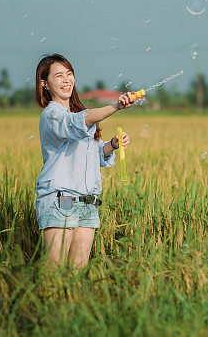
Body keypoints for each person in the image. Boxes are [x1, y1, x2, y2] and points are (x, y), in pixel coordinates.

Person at [34, 53, 136, 268]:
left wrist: (112, 145)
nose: (66, 80)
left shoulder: (78, 115)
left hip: (87, 203)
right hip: (61, 201)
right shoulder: (53, 115)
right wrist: (115, 106)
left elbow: (93, 156)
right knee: (54, 271)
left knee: (77, 273)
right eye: (59, 76)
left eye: (69, 74)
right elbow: (76, 123)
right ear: (45, 84)